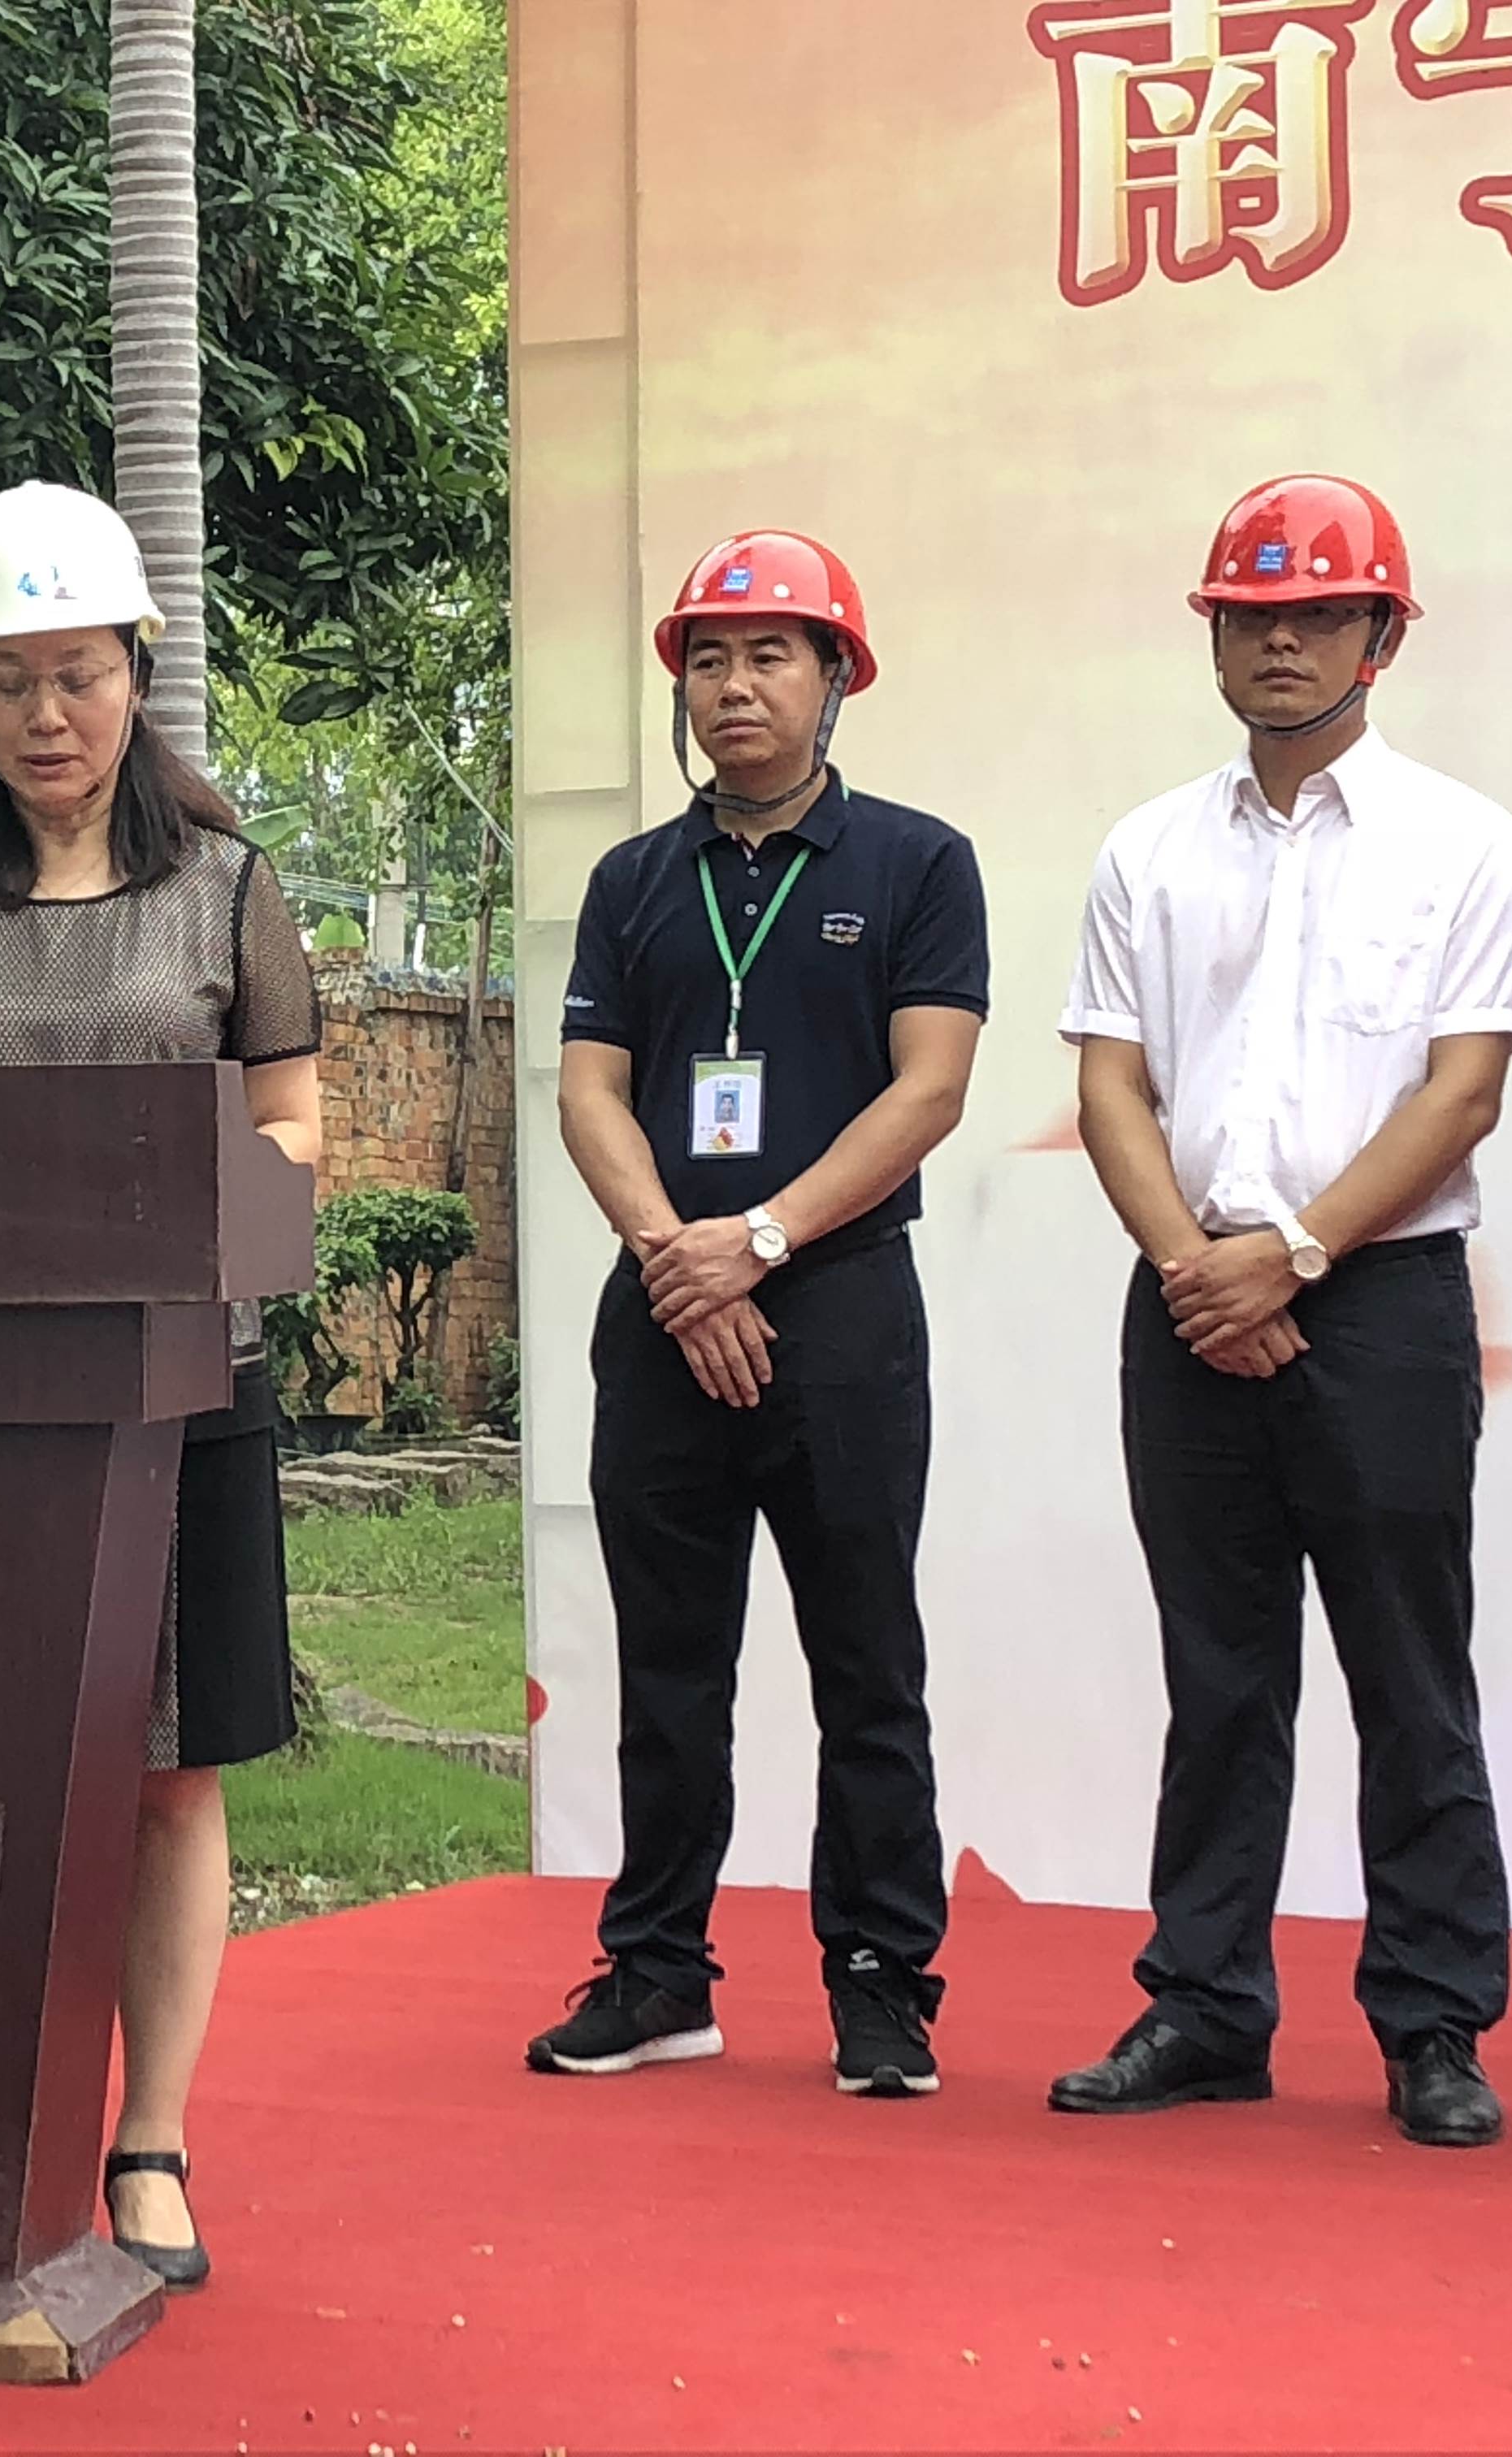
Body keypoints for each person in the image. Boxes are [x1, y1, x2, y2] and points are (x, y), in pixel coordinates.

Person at [0, 480, 321, 2289]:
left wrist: (190, 1214)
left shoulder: (228, 889)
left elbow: (293, 1134)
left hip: (184, 1385)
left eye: (80, 677)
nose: (47, 717)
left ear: (137, 673)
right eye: (8, 682)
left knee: (169, 1773)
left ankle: (149, 2141)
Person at [1050, 475, 1512, 2148]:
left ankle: (1433, 2023)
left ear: (1380, 636)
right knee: (1219, 1675)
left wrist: (1302, 1254)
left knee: (1411, 1671)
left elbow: (1463, 1091)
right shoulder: (1148, 847)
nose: (1282, 643)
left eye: (1319, 613)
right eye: (1253, 616)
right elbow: (1112, 1083)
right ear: (1215, 638)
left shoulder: (1463, 840)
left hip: (1381, 1297)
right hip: (1188, 1297)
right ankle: (1205, 2007)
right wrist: (1198, 1267)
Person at [531, 531, 989, 2099]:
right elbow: (590, 1092)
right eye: (709, 659)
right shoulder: (632, 883)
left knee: (866, 1659)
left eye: (772, 655)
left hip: (841, 1310)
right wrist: (678, 1255)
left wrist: (765, 1240)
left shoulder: (917, 865)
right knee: (670, 1665)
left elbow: (930, 1088)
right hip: (664, 1308)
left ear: (837, 676)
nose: (735, 685)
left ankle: (881, 1980)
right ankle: (658, 1970)